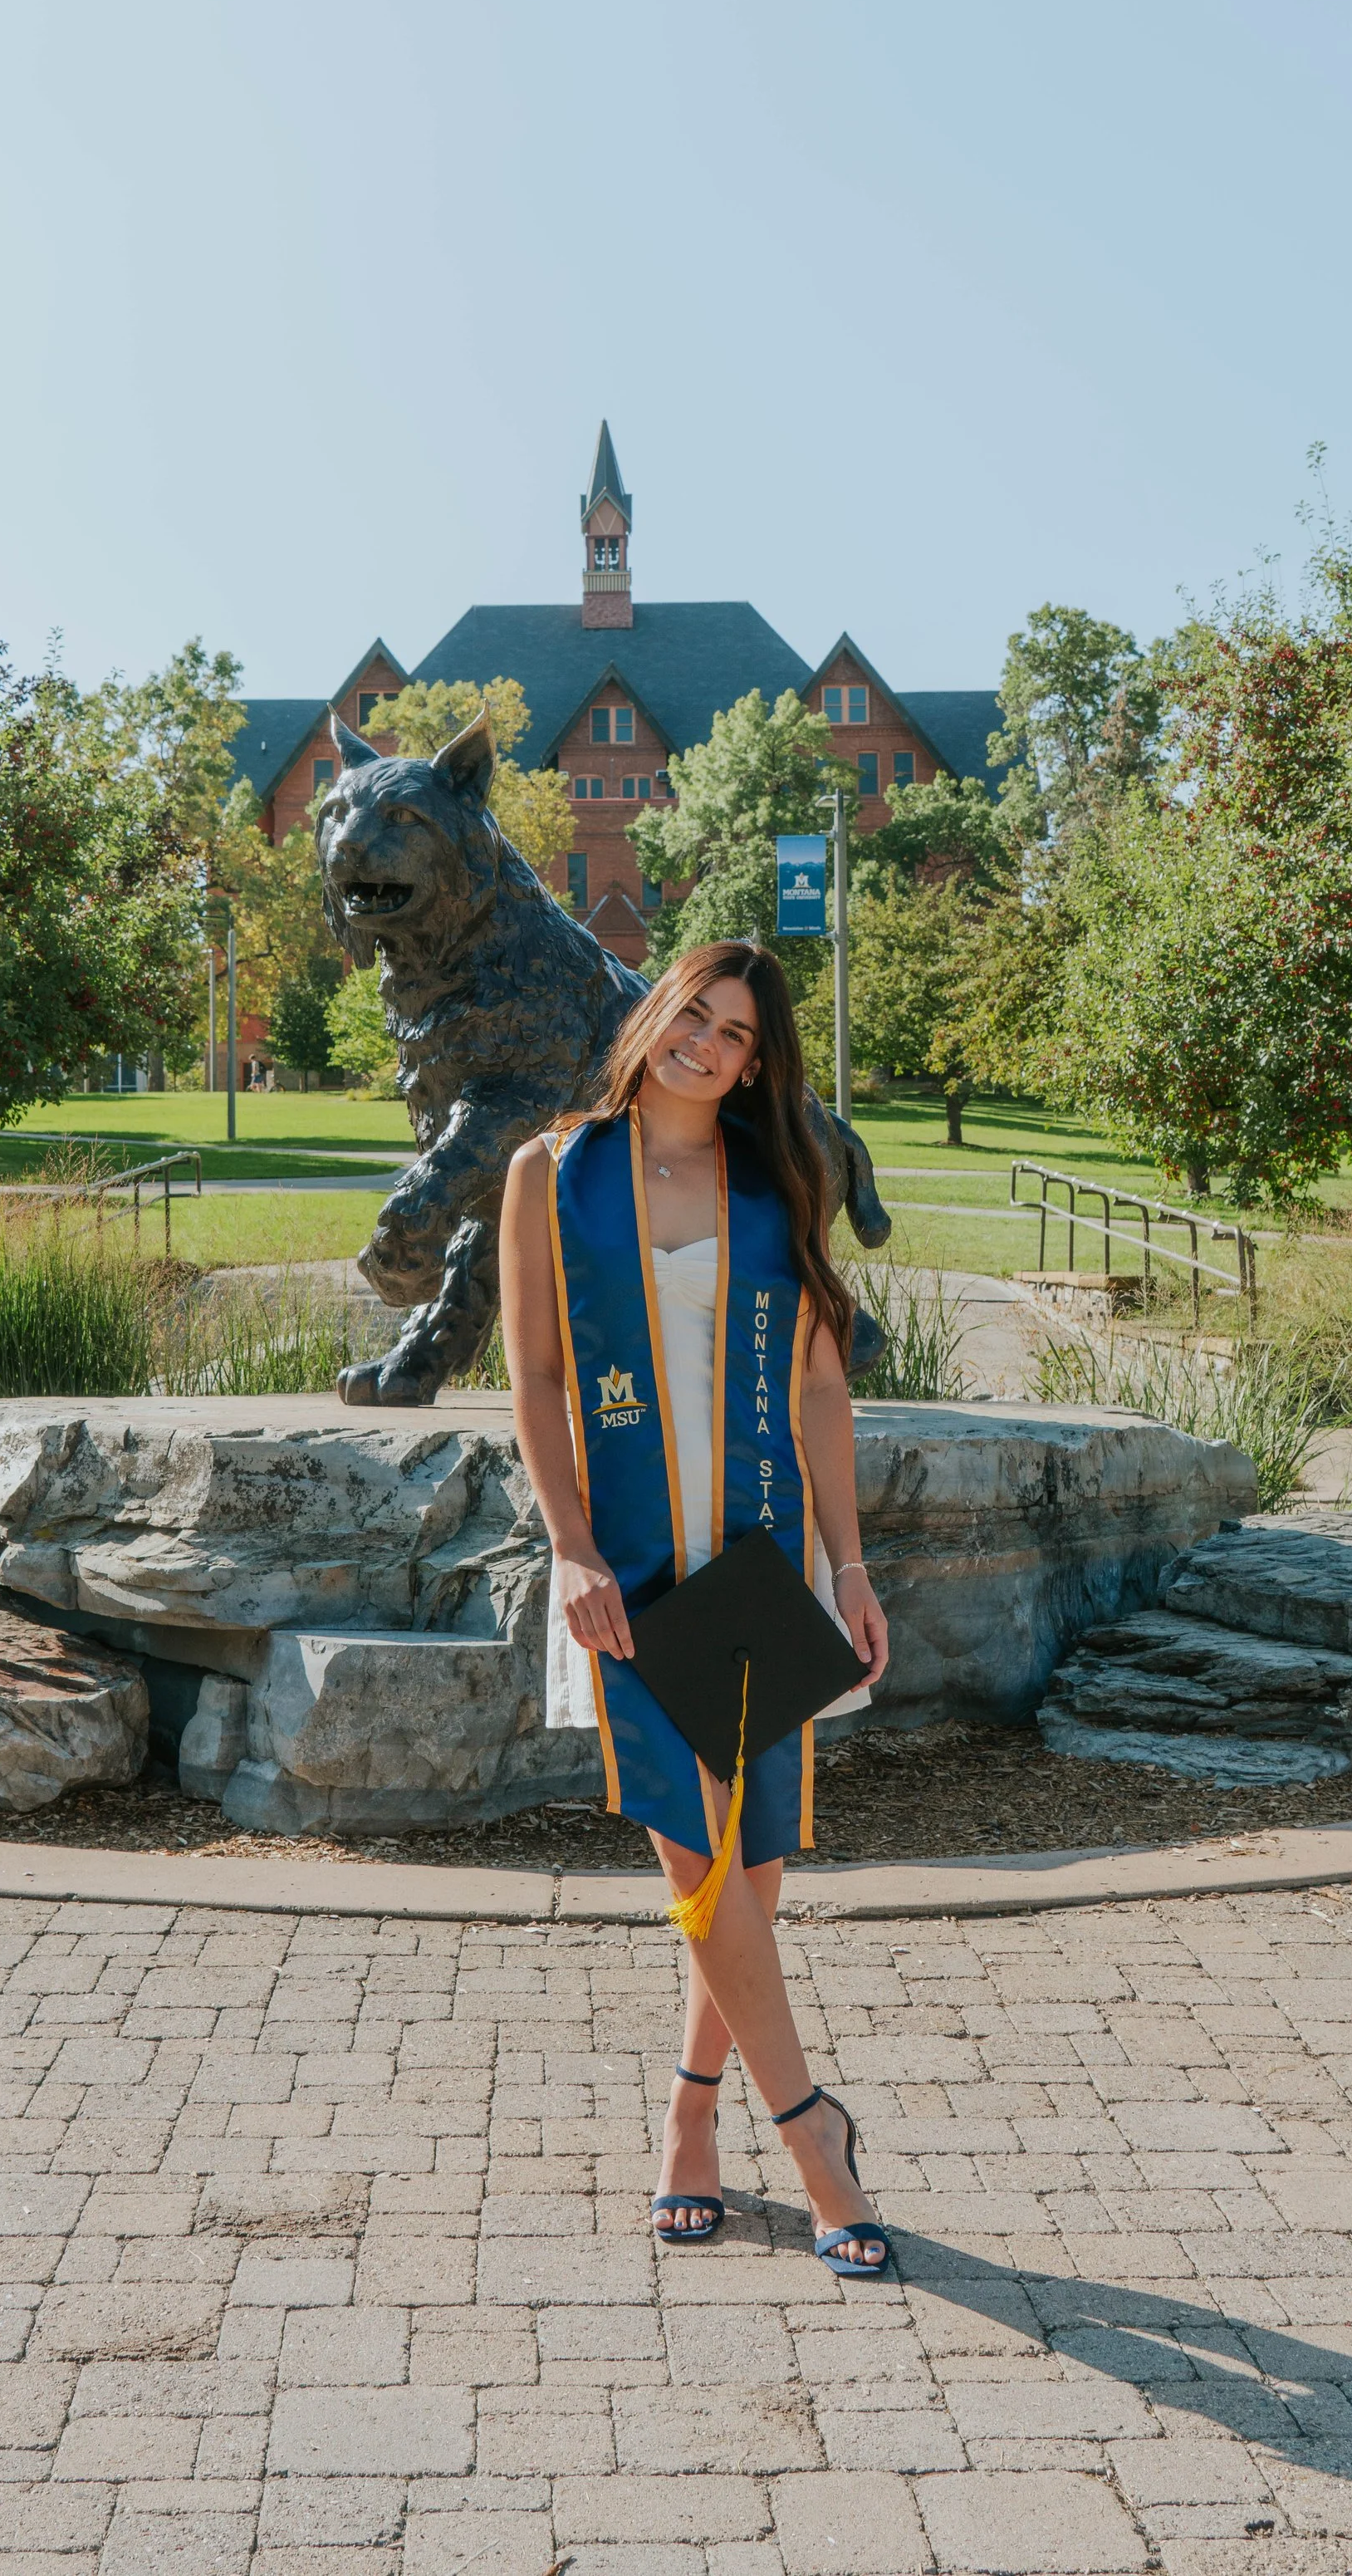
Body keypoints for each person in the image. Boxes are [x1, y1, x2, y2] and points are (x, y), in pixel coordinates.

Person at [500, 940, 894, 2275]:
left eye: (736, 1035)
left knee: (753, 1877)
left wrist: (848, 1565)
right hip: (630, 1575)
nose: (707, 1045)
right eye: (695, 1016)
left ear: (753, 1062)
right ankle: (814, 2139)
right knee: (700, 1863)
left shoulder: (779, 1181)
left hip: (760, 1561)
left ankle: (687, 2122)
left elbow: (823, 1390)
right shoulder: (553, 1175)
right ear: (653, 1013)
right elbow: (540, 1376)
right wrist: (567, 1548)